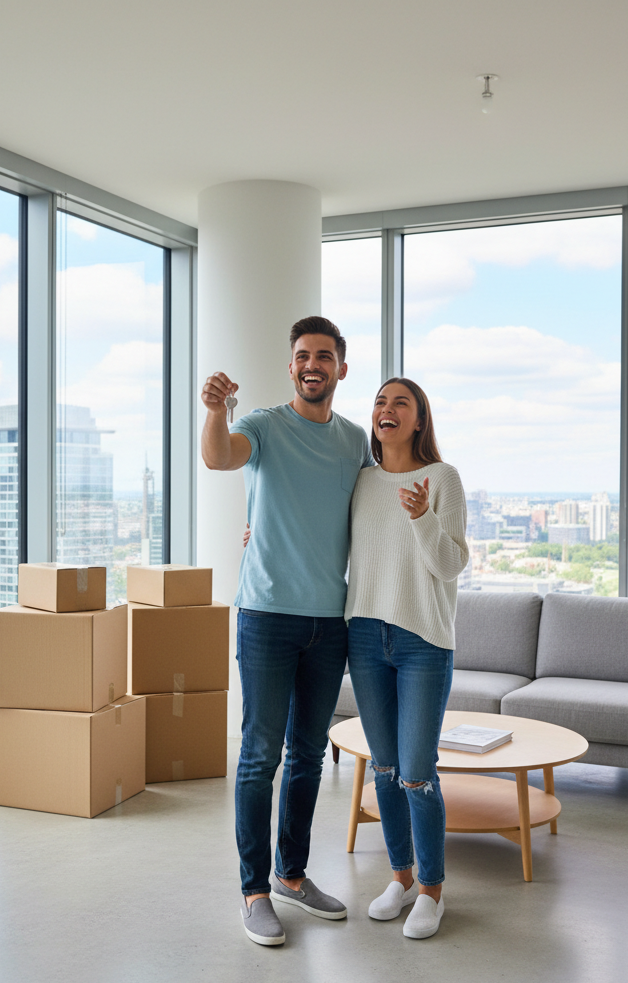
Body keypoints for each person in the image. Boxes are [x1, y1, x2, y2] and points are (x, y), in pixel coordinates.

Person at [200, 315, 371, 947]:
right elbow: (219, 457)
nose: (312, 365)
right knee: (258, 757)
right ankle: (253, 892)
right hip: (267, 616)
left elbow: (375, 512)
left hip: (330, 621)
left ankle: (292, 875)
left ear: (340, 369)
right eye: (302, 354)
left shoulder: (355, 442)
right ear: (291, 364)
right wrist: (217, 409)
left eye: (324, 356)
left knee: (305, 757)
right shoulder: (264, 426)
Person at [344, 377, 468, 940]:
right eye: (379, 401)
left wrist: (422, 515)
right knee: (387, 770)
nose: (386, 409)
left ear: (419, 420)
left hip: (422, 641)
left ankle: (433, 891)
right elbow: (332, 542)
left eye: (401, 402)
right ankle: (400, 877)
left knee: (418, 774)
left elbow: (449, 566)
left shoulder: (442, 479)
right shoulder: (362, 481)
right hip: (366, 636)